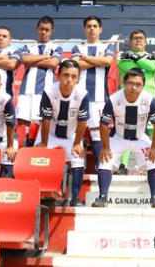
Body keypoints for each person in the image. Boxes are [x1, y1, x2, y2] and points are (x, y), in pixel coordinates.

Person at [92, 68, 155, 208]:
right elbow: (103, 125)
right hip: (118, 137)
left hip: (140, 138)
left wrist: (154, 148)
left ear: (143, 85)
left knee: (154, 162)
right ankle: (102, 197)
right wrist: (105, 147)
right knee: (105, 161)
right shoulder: (113, 99)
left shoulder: (150, 100)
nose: (134, 87)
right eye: (130, 83)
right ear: (124, 83)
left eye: (138, 84)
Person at [36, 60, 89, 207]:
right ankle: (42, 193)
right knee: (38, 156)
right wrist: (44, 144)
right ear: (58, 75)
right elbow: (45, 120)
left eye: (73, 76)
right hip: (49, 134)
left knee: (78, 159)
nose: (69, 80)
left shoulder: (83, 94)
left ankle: (75, 197)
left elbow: (82, 121)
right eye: (66, 75)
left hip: (71, 136)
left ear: (78, 78)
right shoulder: (49, 92)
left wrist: (78, 143)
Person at [71, 16, 115, 171]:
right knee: (75, 132)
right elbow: (75, 66)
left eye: (95, 26)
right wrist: (97, 60)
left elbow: (108, 62)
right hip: (79, 97)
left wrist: (85, 58)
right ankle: (75, 168)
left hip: (99, 98)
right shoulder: (78, 47)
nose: (92, 29)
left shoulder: (107, 47)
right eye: (89, 26)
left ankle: (101, 167)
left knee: (98, 133)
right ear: (85, 29)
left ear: (100, 29)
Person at [116, 29, 155, 173]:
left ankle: (150, 162)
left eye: (141, 38)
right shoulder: (122, 56)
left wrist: (136, 57)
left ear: (146, 41)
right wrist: (141, 61)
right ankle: (122, 165)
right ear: (130, 42)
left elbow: (152, 66)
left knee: (151, 130)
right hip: (129, 99)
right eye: (135, 38)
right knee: (126, 131)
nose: (138, 40)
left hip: (150, 98)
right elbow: (129, 68)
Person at [17, 16, 63, 146]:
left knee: (42, 121)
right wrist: (44, 57)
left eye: (47, 30)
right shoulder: (28, 46)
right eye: (41, 29)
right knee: (23, 121)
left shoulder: (57, 47)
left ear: (52, 31)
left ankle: (39, 149)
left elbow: (53, 63)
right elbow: (25, 60)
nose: (44, 32)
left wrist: (33, 60)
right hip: (26, 90)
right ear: (37, 29)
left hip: (45, 90)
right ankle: (23, 151)